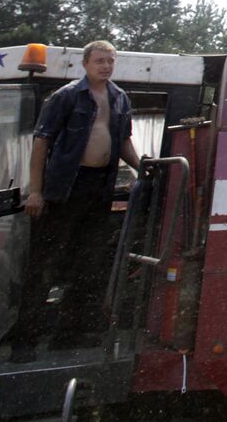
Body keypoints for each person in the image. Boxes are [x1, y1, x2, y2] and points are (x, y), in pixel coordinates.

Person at [12, 40, 141, 356]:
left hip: (100, 188)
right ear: (85, 63)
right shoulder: (66, 96)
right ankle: (25, 341)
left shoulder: (120, 99)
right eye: (99, 61)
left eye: (110, 61)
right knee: (46, 264)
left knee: (90, 263)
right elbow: (41, 144)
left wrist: (144, 169)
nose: (106, 66)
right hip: (64, 188)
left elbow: (123, 142)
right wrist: (36, 191)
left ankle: (69, 335)